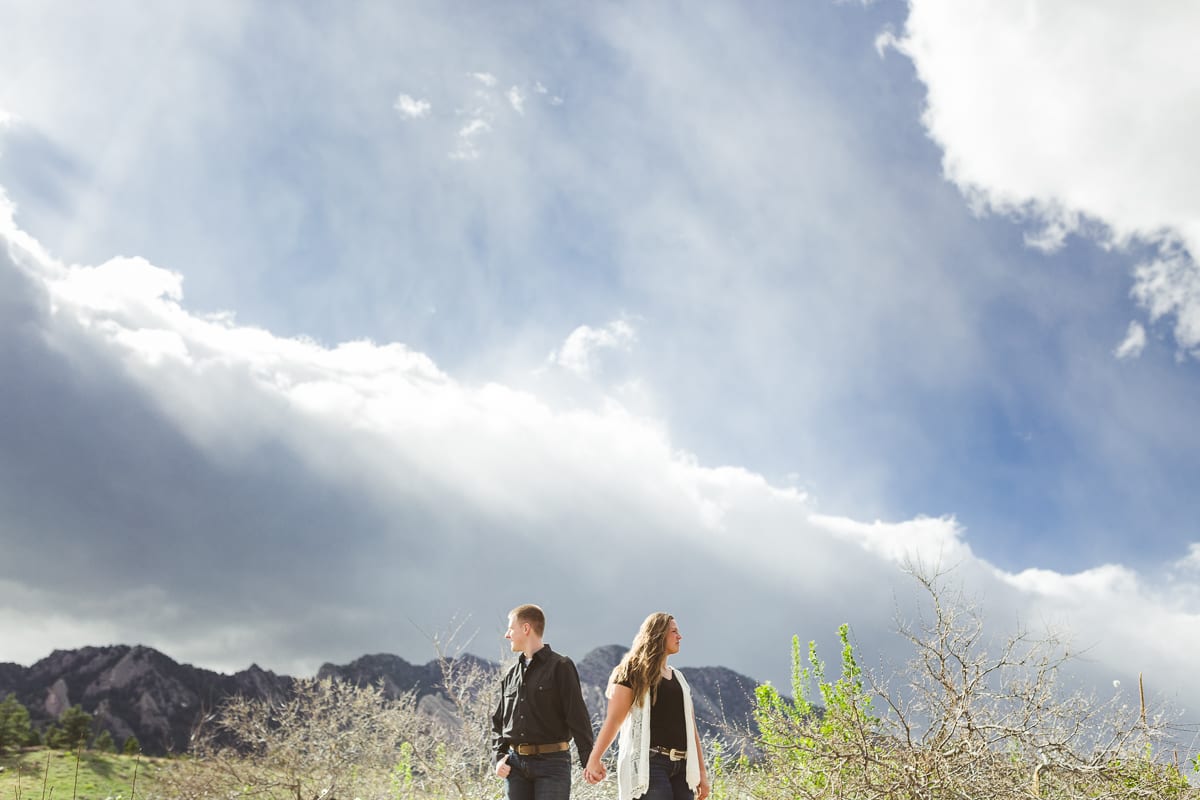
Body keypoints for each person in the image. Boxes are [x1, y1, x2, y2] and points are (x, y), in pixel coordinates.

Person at [584, 613, 710, 800]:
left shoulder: (679, 679)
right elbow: (614, 719)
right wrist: (595, 759)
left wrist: (702, 773)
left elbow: (691, 729)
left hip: (683, 767)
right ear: (658, 635)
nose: (679, 636)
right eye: (674, 631)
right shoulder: (632, 673)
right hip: (651, 765)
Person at [491, 604, 595, 800]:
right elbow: (498, 721)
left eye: (510, 629)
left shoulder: (561, 666)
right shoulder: (510, 675)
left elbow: (577, 715)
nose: (507, 635)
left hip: (552, 765)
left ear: (526, 628)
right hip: (515, 767)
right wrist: (498, 757)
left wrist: (589, 760)